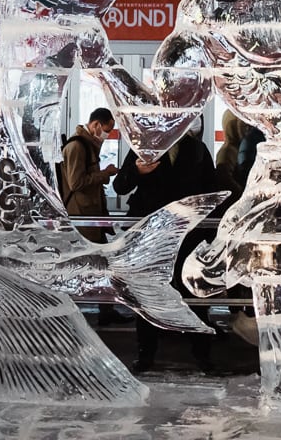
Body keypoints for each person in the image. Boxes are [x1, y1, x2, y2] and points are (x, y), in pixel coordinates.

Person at [113, 126, 217, 372]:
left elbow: (211, 186)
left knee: (192, 290)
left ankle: (202, 354)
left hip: (187, 232)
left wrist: (209, 231)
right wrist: (137, 170)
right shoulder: (145, 147)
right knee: (147, 291)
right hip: (150, 232)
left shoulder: (196, 149)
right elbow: (120, 186)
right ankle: (146, 354)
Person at [60, 106, 129, 325]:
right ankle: (100, 312)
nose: (107, 135)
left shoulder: (88, 145)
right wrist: (104, 174)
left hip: (90, 214)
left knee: (99, 265)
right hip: (82, 216)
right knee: (97, 264)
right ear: (96, 124)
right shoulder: (77, 147)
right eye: (107, 129)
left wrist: (101, 176)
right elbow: (76, 182)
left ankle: (104, 311)